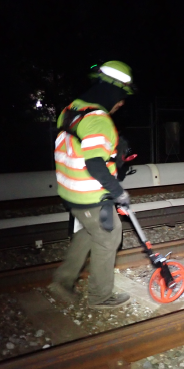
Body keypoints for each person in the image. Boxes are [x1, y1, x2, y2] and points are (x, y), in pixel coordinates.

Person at [48, 61, 134, 309]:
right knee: (109, 237)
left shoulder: (71, 109)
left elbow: (78, 146)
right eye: (121, 98)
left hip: (68, 191)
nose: (121, 104)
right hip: (88, 194)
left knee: (88, 232)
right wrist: (119, 192)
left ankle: (62, 283)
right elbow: (95, 164)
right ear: (113, 93)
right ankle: (100, 297)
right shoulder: (99, 120)